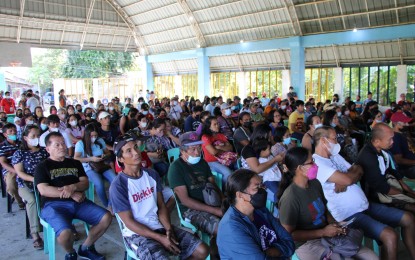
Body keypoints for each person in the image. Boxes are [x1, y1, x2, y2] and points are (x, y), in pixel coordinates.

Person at [313, 126, 415, 260]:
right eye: (334, 138)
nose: (337, 141)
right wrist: (347, 178)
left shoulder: (335, 156)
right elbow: (350, 178)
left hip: (365, 206)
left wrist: (345, 178)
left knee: (408, 219)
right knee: (390, 235)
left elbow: (359, 168)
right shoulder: (318, 164)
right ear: (323, 141)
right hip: (349, 214)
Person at [110, 132, 209, 260]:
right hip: (137, 235)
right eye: (129, 151)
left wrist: (168, 229)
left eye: (135, 147)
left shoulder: (151, 174)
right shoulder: (118, 185)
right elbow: (129, 222)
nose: (135, 152)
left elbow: (161, 206)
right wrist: (160, 238)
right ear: (121, 159)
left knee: (202, 250)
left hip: (158, 226)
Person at [278, 147, 377, 260]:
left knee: (371, 257)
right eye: (311, 162)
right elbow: (289, 234)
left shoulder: (315, 183)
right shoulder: (290, 197)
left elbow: (324, 210)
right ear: (300, 168)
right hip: (307, 243)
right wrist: (323, 232)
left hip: (327, 235)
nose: (316, 165)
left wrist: (335, 225)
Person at [34, 132, 112, 260]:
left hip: (79, 202)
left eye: (63, 143)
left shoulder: (75, 163)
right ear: (48, 149)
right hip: (53, 205)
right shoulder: (42, 166)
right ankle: (70, 252)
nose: (62, 147)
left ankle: (86, 247)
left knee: (106, 217)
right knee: (65, 233)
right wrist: (72, 194)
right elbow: (43, 190)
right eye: (57, 145)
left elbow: (85, 183)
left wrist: (74, 187)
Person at [217, 169, 295, 259]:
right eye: (257, 188)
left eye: (261, 186)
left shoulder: (260, 210)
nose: (263, 190)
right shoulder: (231, 227)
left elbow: (289, 242)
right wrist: (280, 250)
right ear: (240, 195)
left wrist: (269, 253)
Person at [168, 131, 224, 252]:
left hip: (210, 201)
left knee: (236, 217)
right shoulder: (176, 168)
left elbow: (212, 184)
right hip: (190, 210)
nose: (197, 152)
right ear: (182, 151)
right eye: (192, 149)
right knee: (220, 228)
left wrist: (224, 201)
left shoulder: (202, 162)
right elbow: (185, 201)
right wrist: (215, 210)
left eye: (199, 148)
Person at [357, 123, 415, 213]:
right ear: (377, 141)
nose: (392, 142)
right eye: (390, 139)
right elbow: (381, 188)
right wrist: (404, 194)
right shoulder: (368, 157)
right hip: (377, 194)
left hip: (388, 184)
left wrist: (405, 187)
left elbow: (391, 169)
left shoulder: (382, 149)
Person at [12, 125, 49, 250]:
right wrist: (36, 179)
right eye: (33, 136)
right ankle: (35, 234)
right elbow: (20, 173)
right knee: (32, 200)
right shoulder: (20, 153)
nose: (36, 138)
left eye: (38, 136)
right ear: (25, 138)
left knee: (57, 195)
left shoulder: (44, 151)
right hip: (26, 184)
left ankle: (66, 226)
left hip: (44, 182)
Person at [74, 124, 116, 209]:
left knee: (115, 179)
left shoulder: (100, 141)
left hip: (101, 165)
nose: (94, 137)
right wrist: (91, 159)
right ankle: (106, 204)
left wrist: (104, 155)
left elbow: (108, 152)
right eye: (91, 136)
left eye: (95, 135)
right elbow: (76, 158)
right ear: (87, 134)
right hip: (89, 167)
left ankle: (111, 204)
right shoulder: (81, 144)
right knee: (99, 183)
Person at [201, 116, 234, 185]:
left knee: (238, 169)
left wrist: (219, 147)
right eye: (214, 124)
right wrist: (224, 148)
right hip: (211, 162)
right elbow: (213, 152)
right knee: (228, 173)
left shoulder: (220, 135)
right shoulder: (205, 137)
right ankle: (224, 190)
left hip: (225, 159)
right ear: (209, 127)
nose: (218, 126)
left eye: (218, 123)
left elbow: (230, 148)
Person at [0, 123, 24, 209]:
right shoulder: (2, 146)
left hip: (24, 167)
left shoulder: (22, 144)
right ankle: (21, 202)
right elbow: (3, 163)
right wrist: (17, 171)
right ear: (5, 134)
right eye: (10, 131)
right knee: (11, 185)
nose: (13, 132)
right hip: (11, 169)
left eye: (15, 130)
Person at [389, 111, 415, 179]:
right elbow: (398, 160)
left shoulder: (402, 133)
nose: (407, 124)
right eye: (404, 122)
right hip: (407, 169)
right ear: (395, 123)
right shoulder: (394, 137)